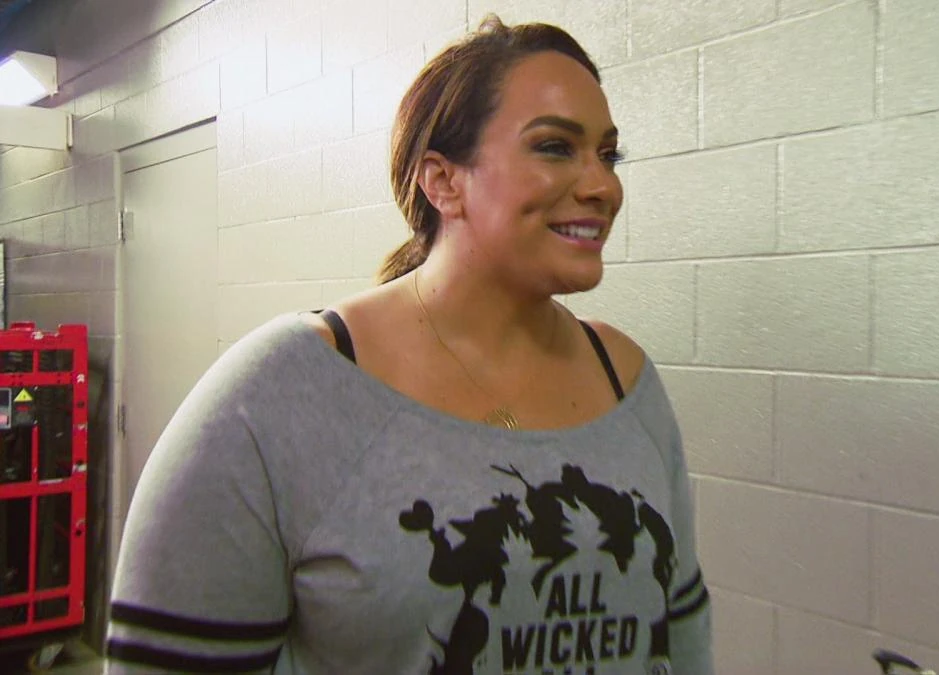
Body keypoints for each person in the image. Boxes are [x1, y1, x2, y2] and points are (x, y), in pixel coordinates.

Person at [104, 14, 713, 675]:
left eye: (608, 154)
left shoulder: (626, 382)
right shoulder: (278, 395)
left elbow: (681, 643)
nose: (603, 186)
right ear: (443, 181)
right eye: (555, 147)